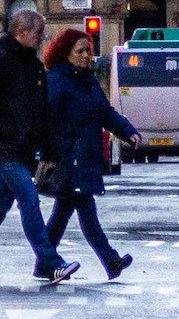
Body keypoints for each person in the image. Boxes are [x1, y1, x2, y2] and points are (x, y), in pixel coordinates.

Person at [0, 9, 79, 286]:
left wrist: (47, 149)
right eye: (38, 33)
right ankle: (50, 263)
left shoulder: (34, 66)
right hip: (5, 148)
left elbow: (41, 112)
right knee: (29, 198)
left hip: (21, 149)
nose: (42, 39)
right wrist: (8, 132)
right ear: (21, 32)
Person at [42, 28, 141, 280]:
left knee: (63, 213)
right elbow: (46, 117)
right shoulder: (56, 80)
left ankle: (44, 262)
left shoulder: (89, 82)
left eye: (89, 50)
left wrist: (128, 131)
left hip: (85, 156)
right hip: (69, 157)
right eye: (80, 51)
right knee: (85, 211)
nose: (87, 55)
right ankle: (110, 261)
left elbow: (105, 113)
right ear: (66, 54)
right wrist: (48, 149)